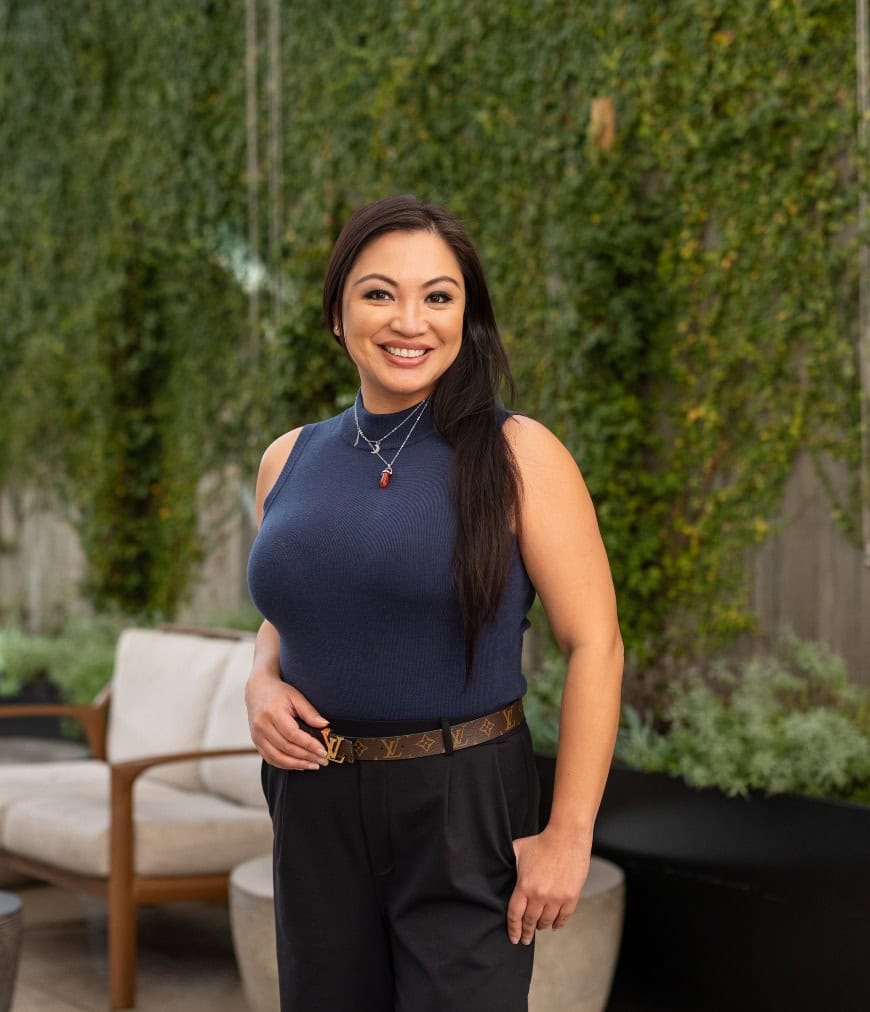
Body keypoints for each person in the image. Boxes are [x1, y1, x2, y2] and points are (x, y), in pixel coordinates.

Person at [245, 194, 623, 1012]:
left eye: (438, 296)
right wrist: (261, 678)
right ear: (338, 312)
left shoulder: (519, 453)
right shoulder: (288, 458)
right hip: (314, 802)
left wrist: (569, 836)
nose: (409, 320)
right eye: (380, 293)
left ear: (467, 316)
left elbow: (597, 644)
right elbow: (300, 602)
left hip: (464, 803)